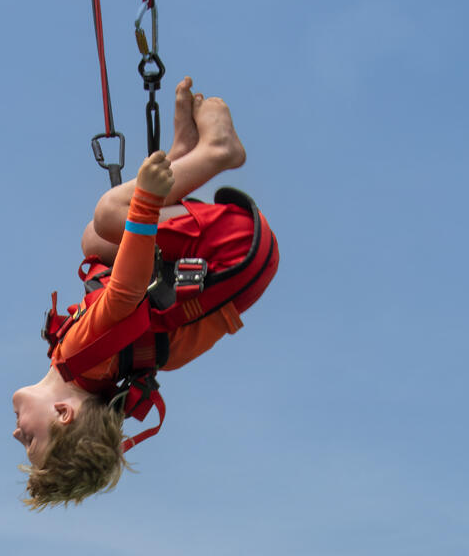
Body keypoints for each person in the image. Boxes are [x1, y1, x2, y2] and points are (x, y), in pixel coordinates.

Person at [14, 85, 278, 508]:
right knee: (110, 214)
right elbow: (124, 292)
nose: (16, 433)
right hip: (232, 249)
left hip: (244, 265)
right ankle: (217, 152)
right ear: (64, 414)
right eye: (29, 440)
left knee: (93, 240)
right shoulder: (85, 356)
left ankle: (181, 152)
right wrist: (146, 204)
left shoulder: (94, 369)